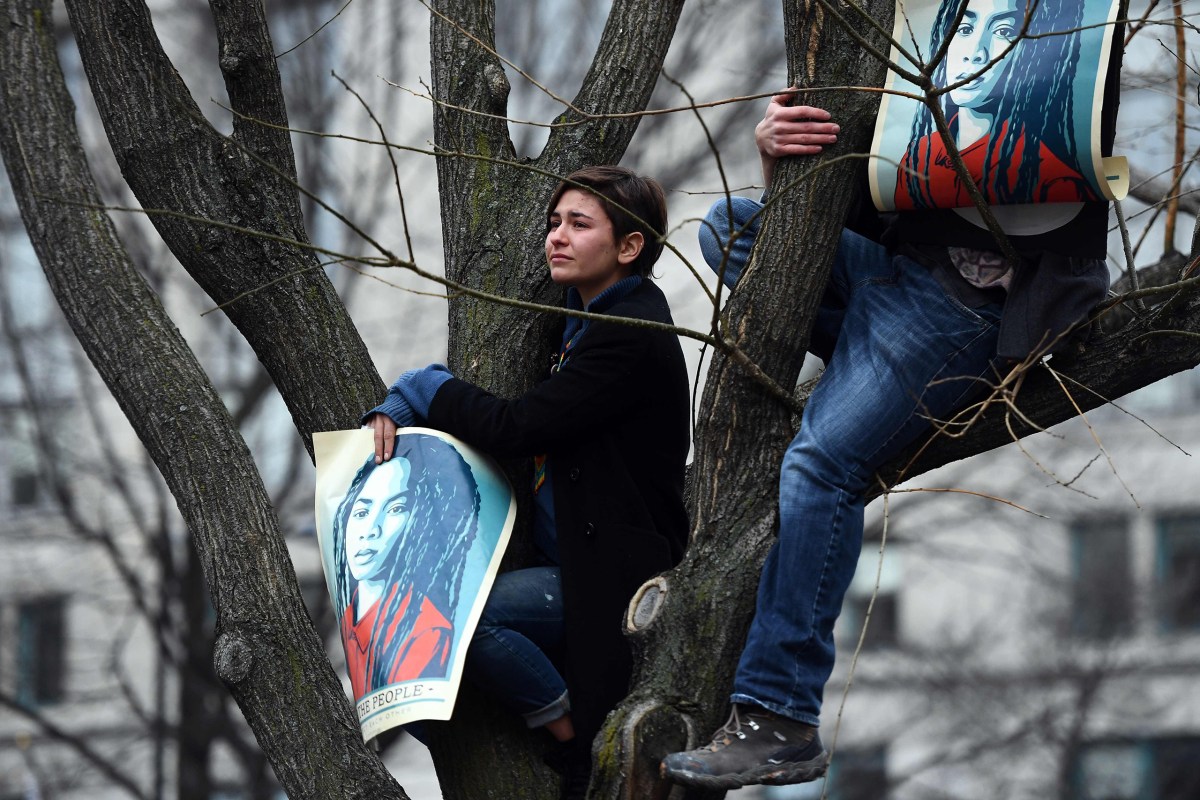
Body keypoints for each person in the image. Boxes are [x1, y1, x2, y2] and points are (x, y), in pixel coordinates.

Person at [660, 8, 1122, 789]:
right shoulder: (911, 39)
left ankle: (779, 716)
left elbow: (1046, 186)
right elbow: (839, 203)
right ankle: (875, 375)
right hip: (892, 273)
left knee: (820, 465)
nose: (976, 33)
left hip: (960, 299)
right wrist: (780, 158)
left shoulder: (1065, 46)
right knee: (729, 226)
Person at [362, 165, 690, 799]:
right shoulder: (578, 322)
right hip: (570, 562)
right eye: (554, 223)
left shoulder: (630, 333)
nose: (556, 238)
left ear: (629, 247)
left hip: (607, 580)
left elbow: (518, 427)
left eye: (579, 224)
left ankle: (564, 730)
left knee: (455, 617)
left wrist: (423, 387)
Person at [896, 0, 1099, 210]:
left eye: (1002, 32)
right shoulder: (920, 154)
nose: (975, 52)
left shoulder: (1053, 179)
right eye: (964, 29)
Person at [331, 435, 481, 698]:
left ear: (420, 525)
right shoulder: (348, 618)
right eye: (362, 512)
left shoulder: (427, 630)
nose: (370, 530)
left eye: (395, 509)